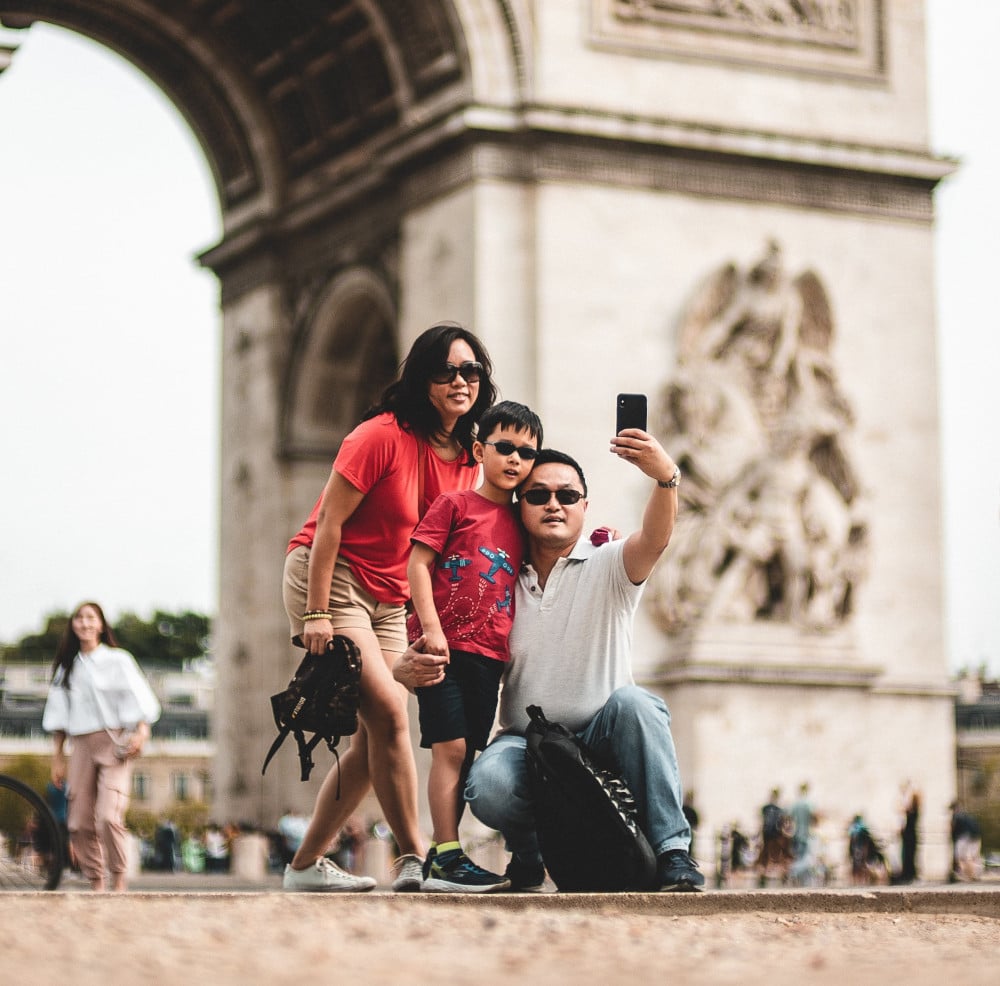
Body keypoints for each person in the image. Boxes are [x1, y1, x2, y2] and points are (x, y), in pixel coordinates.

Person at [397, 428, 705, 892]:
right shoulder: (495, 579)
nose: (553, 504)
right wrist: (403, 669)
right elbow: (455, 650)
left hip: (606, 734)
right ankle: (530, 850)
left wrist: (666, 479)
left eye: (567, 495)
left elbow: (657, 538)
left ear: (586, 505)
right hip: (527, 744)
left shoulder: (611, 563)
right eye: (537, 495)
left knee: (639, 707)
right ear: (518, 507)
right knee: (489, 782)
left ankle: (673, 853)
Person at [281, 322, 497, 893]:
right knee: (393, 716)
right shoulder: (378, 436)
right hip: (332, 580)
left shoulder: (467, 455)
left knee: (370, 739)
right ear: (422, 377)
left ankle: (303, 868)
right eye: (447, 370)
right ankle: (420, 860)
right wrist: (316, 613)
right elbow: (328, 524)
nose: (460, 380)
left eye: (470, 370)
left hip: (389, 599)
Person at [408, 400, 543, 892]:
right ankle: (445, 854)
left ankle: (443, 856)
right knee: (451, 747)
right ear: (479, 449)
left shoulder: (523, 524)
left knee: (467, 755)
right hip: (440, 649)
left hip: (489, 657)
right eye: (504, 447)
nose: (515, 460)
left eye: (527, 452)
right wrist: (431, 628)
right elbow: (417, 565)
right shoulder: (454, 505)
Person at [42, 601, 161, 892]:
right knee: (78, 822)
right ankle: (96, 880)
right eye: (79, 618)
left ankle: (118, 878)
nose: (85, 623)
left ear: (101, 624)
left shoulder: (118, 659)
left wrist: (141, 733)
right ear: (72, 625)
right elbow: (58, 717)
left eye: (90, 618)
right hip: (80, 745)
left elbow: (139, 699)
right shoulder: (66, 668)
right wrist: (57, 759)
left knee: (109, 815)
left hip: (114, 743)